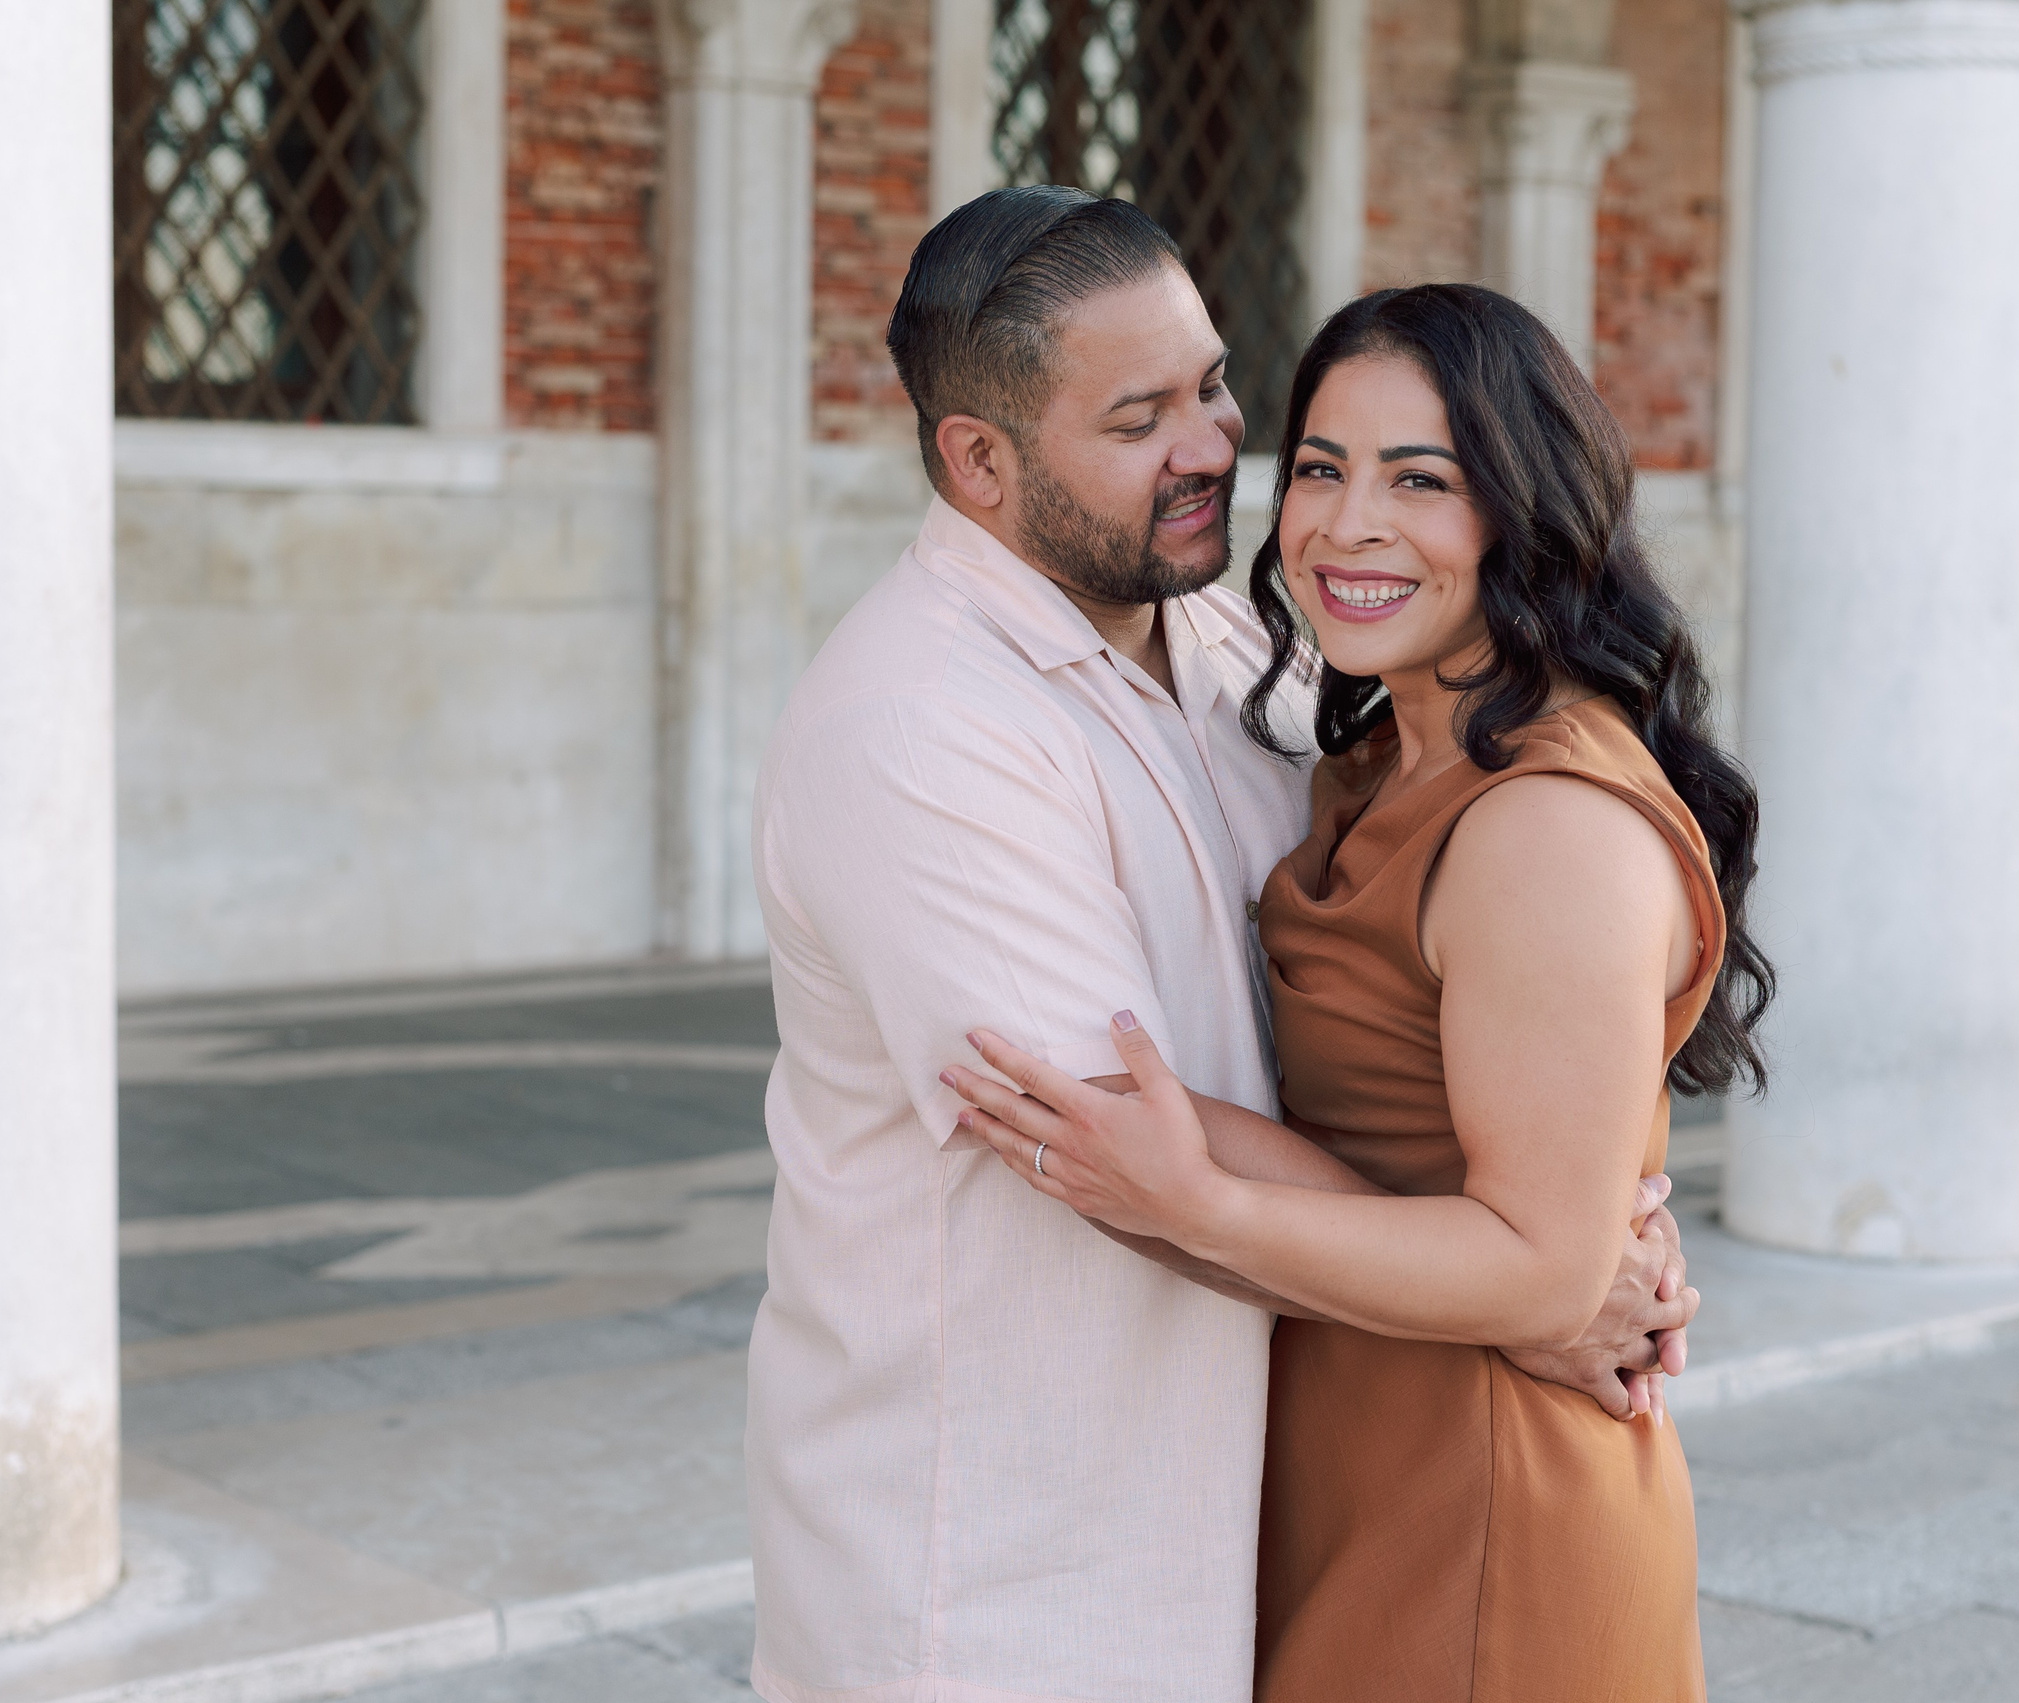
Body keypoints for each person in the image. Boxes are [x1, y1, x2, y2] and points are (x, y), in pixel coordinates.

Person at [746, 191, 1700, 1703]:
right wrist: (1544, 1279)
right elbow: (1107, 1145)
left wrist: (1551, 1231)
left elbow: (1453, 999)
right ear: (978, 461)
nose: (1209, 448)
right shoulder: (919, 725)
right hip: (1009, 1550)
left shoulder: (1239, 645)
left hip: (1316, 1477)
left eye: (1213, 387)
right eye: (1139, 420)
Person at [940, 283, 1772, 1700]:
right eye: (1322, 469)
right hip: (1365, 1461)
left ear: (1525, 511)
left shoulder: (1544, 827)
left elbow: (1543, 1270)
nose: (1347, 524)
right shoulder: (1386, 759)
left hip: (1489, 1506)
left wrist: (1199, 1202)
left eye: (1421, 481)